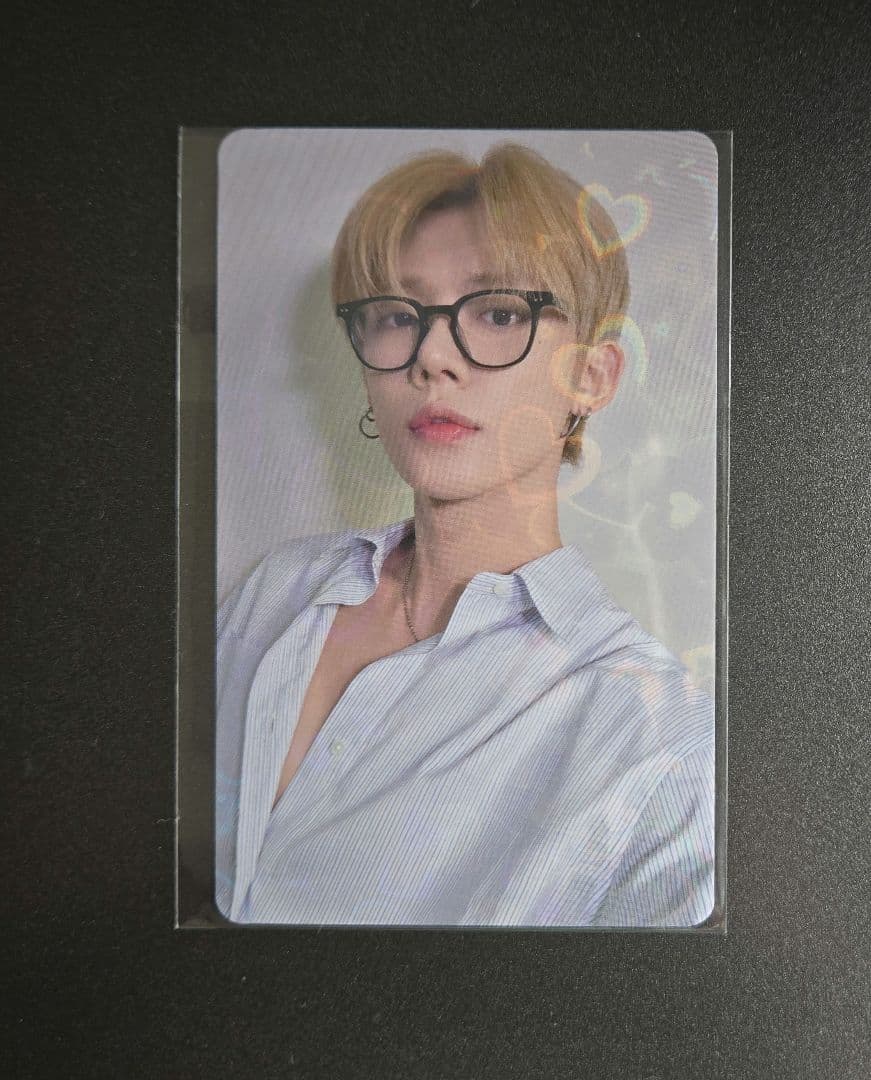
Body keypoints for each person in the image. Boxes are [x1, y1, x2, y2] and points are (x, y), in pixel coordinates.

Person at [216, 143, 716, 927]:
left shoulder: (655, 735)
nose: (432, 357)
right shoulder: (275, 591)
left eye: (499, 313)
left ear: (591, 377)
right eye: (396, 316)